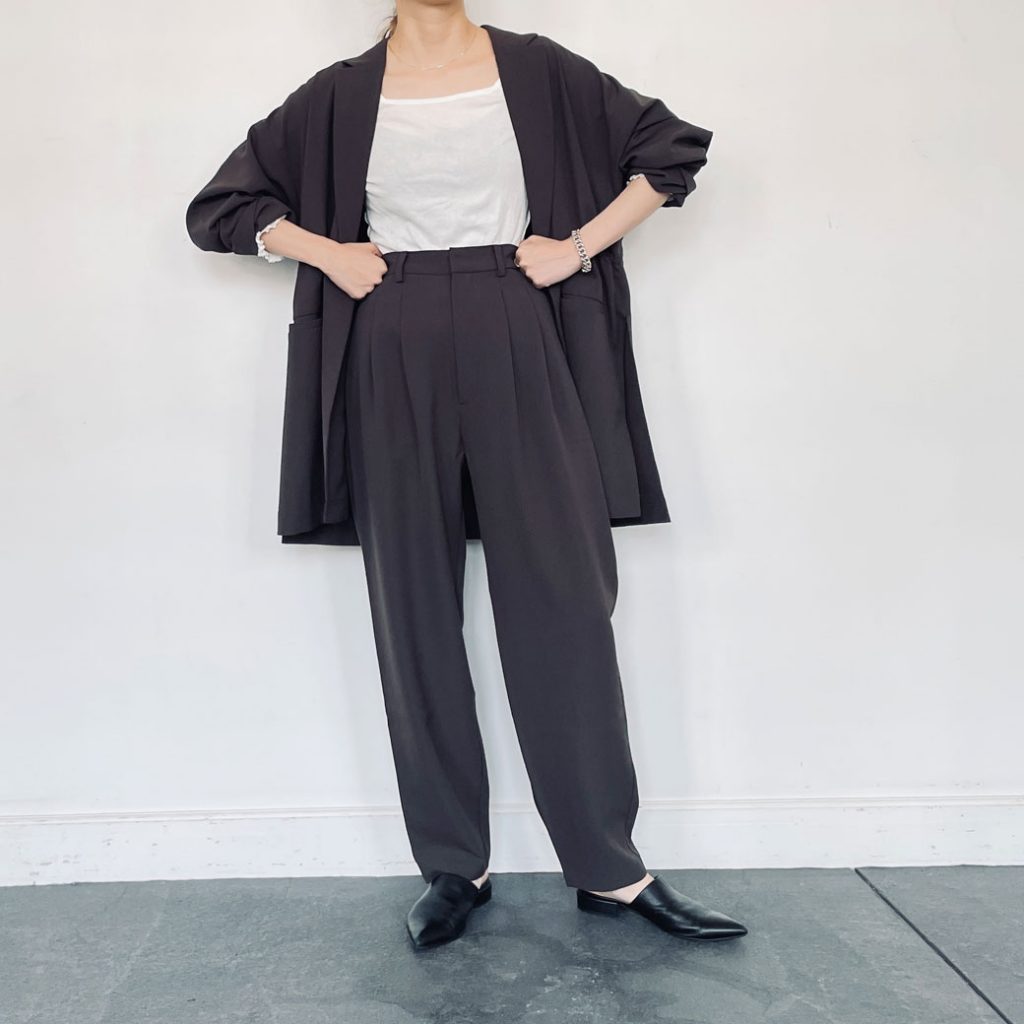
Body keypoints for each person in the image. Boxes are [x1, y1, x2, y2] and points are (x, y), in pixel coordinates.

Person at [186, 1, 748, 949]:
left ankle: (610, 869)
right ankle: (456, 866)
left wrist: (576, 247)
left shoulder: (539, 68)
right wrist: (329, 254)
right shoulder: (338, 95)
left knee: (565, 598)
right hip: (389, 326)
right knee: (413, 604)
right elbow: (220, 209)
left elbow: (671, 153)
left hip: (517, 313)